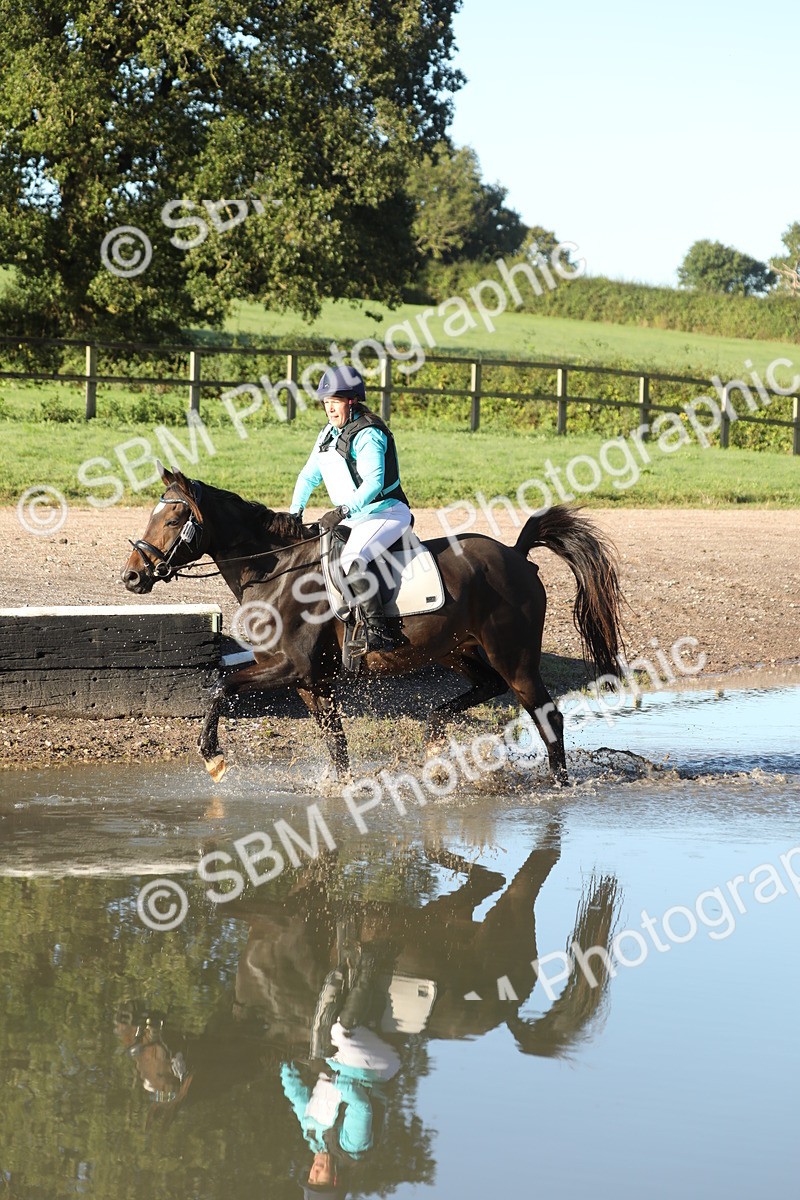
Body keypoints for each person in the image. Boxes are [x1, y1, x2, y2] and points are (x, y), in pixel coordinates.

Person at [289, 365, 412, 655]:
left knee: (353, 559)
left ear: (351, 402)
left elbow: (374, 482)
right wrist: (295, 512)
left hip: (386, 512)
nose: (329, 409)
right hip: (357, 516)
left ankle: (378, 632)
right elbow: (308, 476)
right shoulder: (327, 434)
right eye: (325, 403)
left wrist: (342, 510)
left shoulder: (369, 434)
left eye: (335, 402)